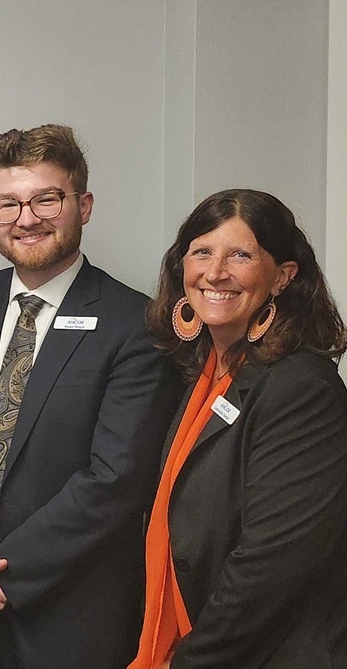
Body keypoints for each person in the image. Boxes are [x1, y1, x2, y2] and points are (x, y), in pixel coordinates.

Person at [0, 124, 178, 669]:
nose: (26, 218)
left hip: (72, 611)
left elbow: (117, 479)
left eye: (46, 199)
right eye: (7, 203)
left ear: (83, 204)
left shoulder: (136, 323)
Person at [129, 189, 347, 669]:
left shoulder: (301, 388)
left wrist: (190, 659)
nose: (215, 272)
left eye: (241, 255)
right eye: (202, 252)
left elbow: (275, 566)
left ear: (282, 277)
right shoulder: (204, 373)